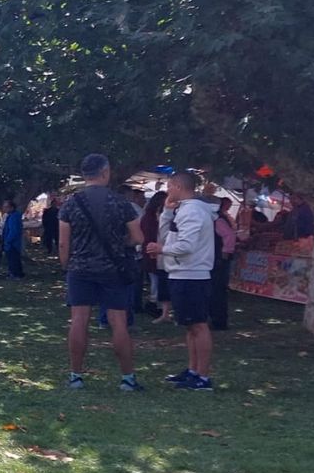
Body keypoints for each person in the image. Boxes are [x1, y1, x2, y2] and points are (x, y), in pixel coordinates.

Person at [59, 154, 145, 392]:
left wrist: (66, 266)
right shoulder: (120, 202)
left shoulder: (70, 203)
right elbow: (138, 237)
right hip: (113, 269)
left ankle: (76, 377)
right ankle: (127, 379)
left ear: (84, 175)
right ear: (105, 172)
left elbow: (64, 243)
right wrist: (122, 244)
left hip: (80, 268)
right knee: (119, 323)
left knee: (79, 320)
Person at [148, 172, 217, 391]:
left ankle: (203, 377)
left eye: (169, 186)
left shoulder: (193, 211)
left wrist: (162, 250)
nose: (167, 190)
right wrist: (167, 213)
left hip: (192, 274)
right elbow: (167, 236)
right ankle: (193, 370)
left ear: (178, 186)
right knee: (189, 325)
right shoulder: (183, 209)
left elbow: (186, 246)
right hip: (181, 272)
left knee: (198, 325)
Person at [140, 191, 174, 323]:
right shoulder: (151, 218)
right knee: (158, 281)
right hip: (156, 253)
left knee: (159, 281)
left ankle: (161, 308)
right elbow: (151, 236)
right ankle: (156, 305)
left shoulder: (150, 217)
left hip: (160, 253)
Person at [211, 198, 236, 331]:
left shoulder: (218, 220)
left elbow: (229, 236)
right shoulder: (214, 219)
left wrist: (226, 252)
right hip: (214, 258)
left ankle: (219, 321)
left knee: (218, 291)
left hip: (219, 259)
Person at [2, 201, 26, 279]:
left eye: (6, 207)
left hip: (13, 243)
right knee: (13, 258)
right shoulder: (11, 216)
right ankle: (16, 273)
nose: (4, 209)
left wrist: (8, 240)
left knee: (13, 258)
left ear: (12, 207)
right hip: (12, 242)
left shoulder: (14, 217)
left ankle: (15, 274)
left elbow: (13, 231)